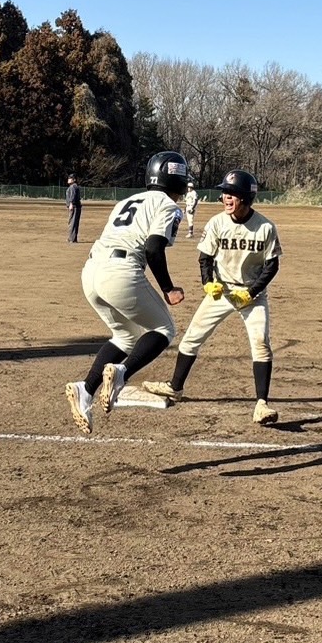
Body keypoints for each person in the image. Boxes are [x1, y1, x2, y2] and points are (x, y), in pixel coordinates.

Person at [143, 169, 282, 425]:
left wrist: (251, 293)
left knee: (260, 341)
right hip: (223, 290)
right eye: (224, 194)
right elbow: (205, 257)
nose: (226, 198)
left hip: (252, 293)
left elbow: (272, 266)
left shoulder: (265, 227)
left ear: (246, 198)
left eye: (232, 194)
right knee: (193, 336)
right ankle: (175, 387)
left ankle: (262, 404)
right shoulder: (217, 222)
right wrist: (209, 284)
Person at [64, 151, 189, 434]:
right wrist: (168, 288)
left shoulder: (127, 200)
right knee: (164, 328)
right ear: (177, 179)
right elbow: (153, 248)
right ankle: (121, 373)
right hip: (120, 271)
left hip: (91, 270)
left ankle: (86, 389)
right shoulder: (168, 206)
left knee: (125, 336)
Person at [66, 173, 82, 244]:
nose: (69, 179)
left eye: (70, 178)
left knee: (72, 222)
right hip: (76, 206)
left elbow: (72, 196)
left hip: (74, 206)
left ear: (74, 180)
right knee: (74, 222)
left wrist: (71, 204)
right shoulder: (74, 186)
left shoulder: (73, 187)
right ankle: (73, 238)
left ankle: (72, 239)